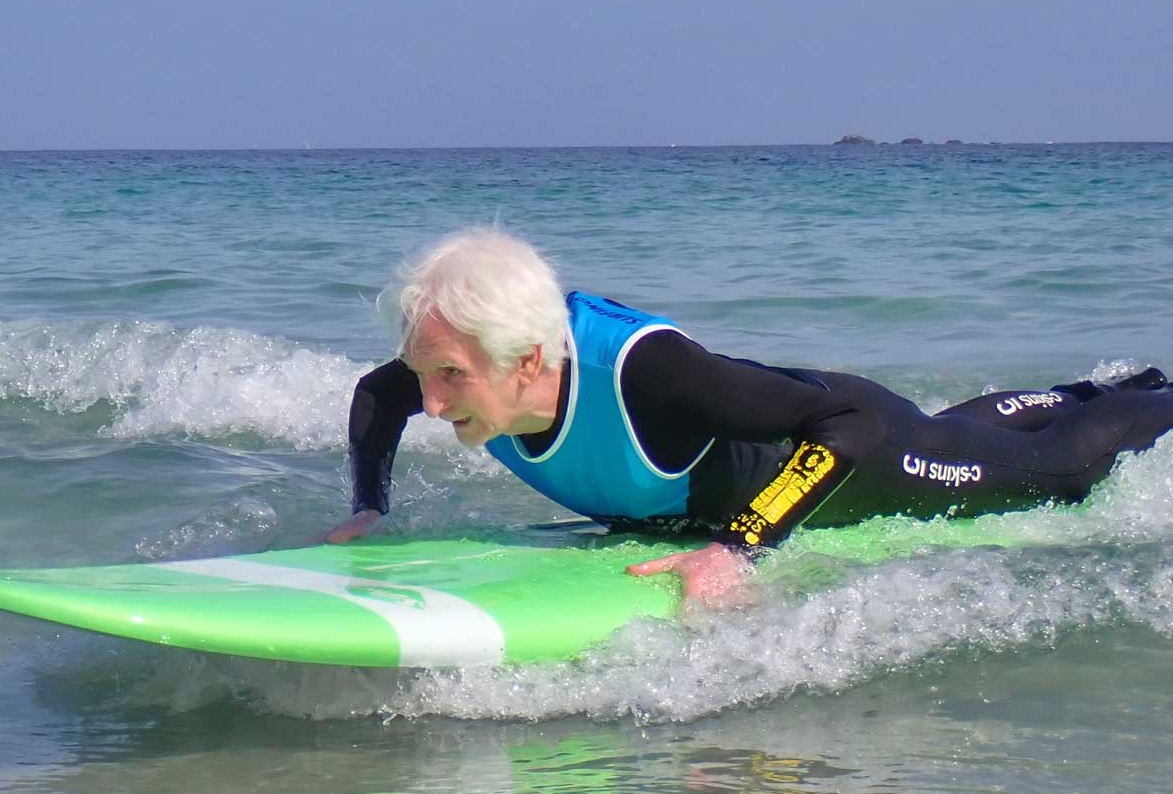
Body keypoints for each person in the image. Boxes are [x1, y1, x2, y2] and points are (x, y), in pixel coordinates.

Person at [325, 228, 1173, 605]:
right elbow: (376, 396)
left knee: (1054, 473)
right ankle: (1095, 384)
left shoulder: (642, 373)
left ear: (531, 362)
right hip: (802, 414)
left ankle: (1148, 402)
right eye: (425, 375)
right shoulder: (461, 363)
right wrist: (370, 505)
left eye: (448, 380)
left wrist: (740, 546)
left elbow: (846, 424)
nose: (431, 404)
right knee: (958, 427)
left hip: (858, 455)